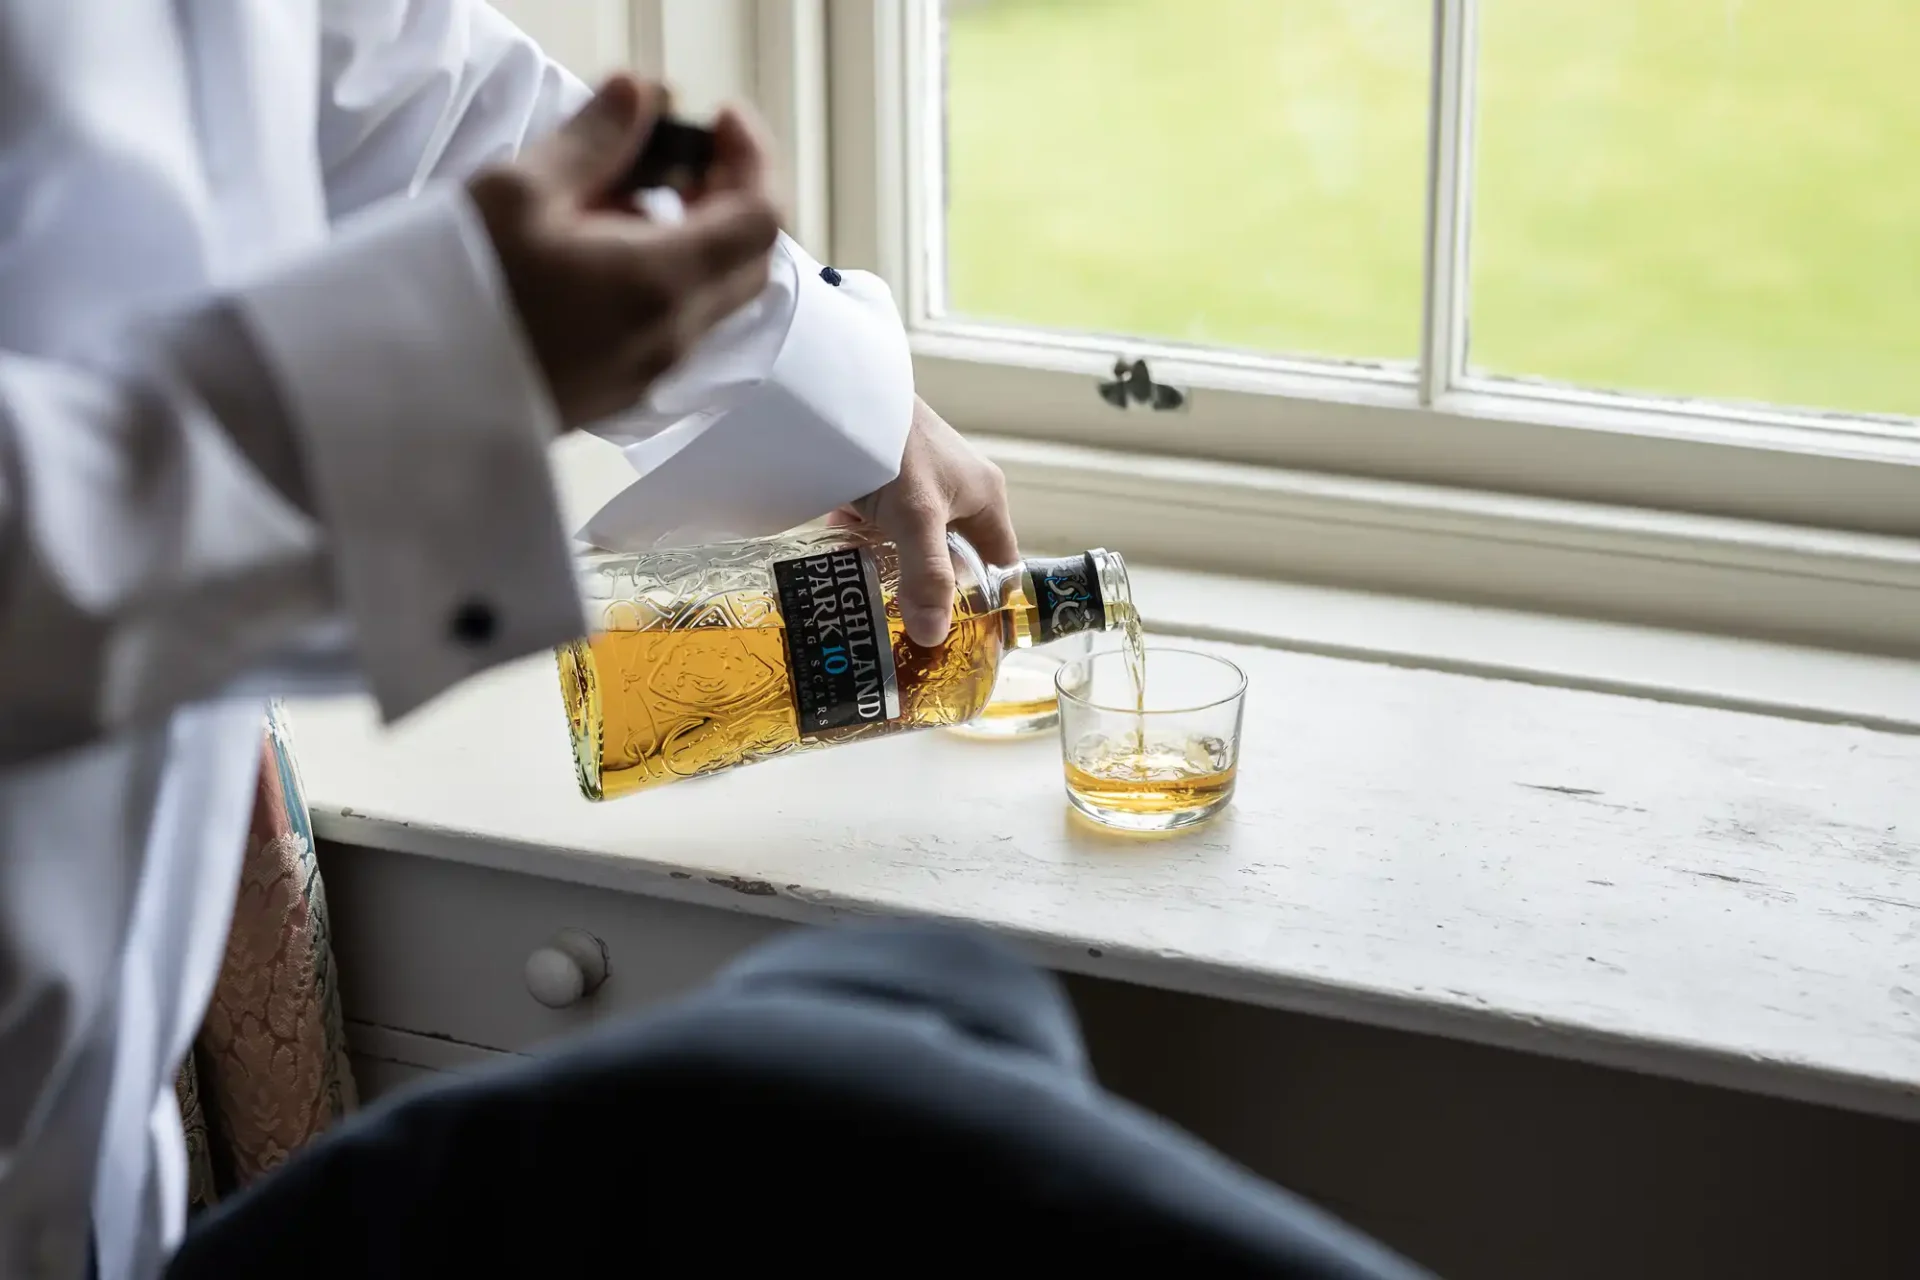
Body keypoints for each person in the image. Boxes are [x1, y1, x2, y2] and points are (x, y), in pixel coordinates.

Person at [0, 4, 1421, 1278]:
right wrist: (440, 367)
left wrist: (846, 395)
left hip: (99, 1179)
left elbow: (400, 82)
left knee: (942, 981)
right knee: (857, 1110)